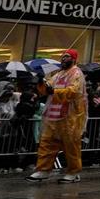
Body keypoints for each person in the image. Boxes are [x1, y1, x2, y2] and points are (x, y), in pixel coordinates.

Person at [27, 49, 87, 184]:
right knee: (47, 143)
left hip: (69, 116)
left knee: (71, 145)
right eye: (62, 57)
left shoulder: (77, 73)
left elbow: (74, 92)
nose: (63, 59)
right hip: (52, 115)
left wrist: (53, 90)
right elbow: (47, 89)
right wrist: (41, 82)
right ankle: (43, 170)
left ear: (74, 59)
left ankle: (74, 172)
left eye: (67, 57)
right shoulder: (59, 74)